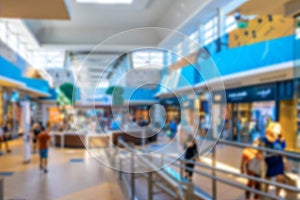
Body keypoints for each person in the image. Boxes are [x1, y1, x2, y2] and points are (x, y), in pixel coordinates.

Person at [262, 122, 286, 197]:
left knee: (280, 177)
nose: (279, 129)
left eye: (280, 128)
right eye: (277, 127)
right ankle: (265, 192)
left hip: (278, 160)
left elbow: (283, 152)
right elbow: (260, 148)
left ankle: (277, 195)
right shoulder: (266, 138)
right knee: (268, 178)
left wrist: (285, 162)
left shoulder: (282, 140)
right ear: (271, 129)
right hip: (269, 160)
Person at [240, 134, 261, 200]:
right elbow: (243, 160)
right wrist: (241, 168)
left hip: (257, 166)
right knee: (251, 181)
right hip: (250, 166)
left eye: (258, 140)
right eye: (256, 139)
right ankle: (248, 197)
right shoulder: (247, 149)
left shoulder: (260, 149)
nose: (257, 141)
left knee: (257, 183)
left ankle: (255, 197)